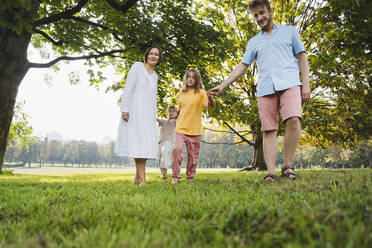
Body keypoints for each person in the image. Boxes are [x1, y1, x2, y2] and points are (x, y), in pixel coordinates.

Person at [208, 0, 310, 181]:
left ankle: (287, 166)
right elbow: (242, 66)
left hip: (290, 83)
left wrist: (306, 85)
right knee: (269, 129)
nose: (259, 18)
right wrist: (223, 85)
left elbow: (302, 57)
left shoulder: (290, 32)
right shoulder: (254, 42)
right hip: (265, 88)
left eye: (262, 13)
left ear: (270, 11)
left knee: (294, 120)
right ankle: (270, 173)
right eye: (255, 15)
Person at [115, 45, 163, 185]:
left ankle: (136, 177)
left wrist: (154, 115)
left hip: (148, 114)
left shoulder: (155, 76)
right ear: (147, 54)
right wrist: (124, 108)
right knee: (138, 145)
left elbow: (153, 97)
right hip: (135, 111)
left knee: (146, 145)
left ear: (159, 58)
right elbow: (128, 87)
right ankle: (143, 180)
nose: (153, 56)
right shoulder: (137, 67)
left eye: (157, 54)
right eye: (151, 53)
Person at [171, 69, 215, 184]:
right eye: (188, 77)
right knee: (177, 149)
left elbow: (210, 105)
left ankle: (190, 177)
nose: (190, 79)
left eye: (193, 77)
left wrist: (210, 97)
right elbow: (181, 110)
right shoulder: (181, 93)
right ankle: (175, 176)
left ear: (197, 80)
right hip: (180, 128)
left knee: (193, 157)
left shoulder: (201, 92)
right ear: (185, 79)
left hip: (195, 130)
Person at [156, 106, 178, 179]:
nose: (171, 113)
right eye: (169, 111)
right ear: (167, 113)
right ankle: (163, 173)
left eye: (173, 111)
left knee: (165, 152)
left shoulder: (175, 122)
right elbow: (158, 120)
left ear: (177, 114)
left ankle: (165, 173)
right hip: (161, 141)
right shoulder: (164, 121)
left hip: (169, 141)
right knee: (159, 158)